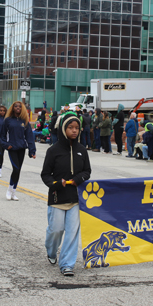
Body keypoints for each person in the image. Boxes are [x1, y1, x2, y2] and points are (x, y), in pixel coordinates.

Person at [41, 112, 91, 277]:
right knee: (56, 230)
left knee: (71, 232)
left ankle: (67, 265)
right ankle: (51, 250)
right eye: (70, 127)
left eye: (77, 128)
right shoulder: (53, 151)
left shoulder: (82, 150)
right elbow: (45, 174)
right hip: (57, 197)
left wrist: (78, 179)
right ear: (63, 129)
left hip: (75, 199)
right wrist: (55, 184)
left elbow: (87, 171)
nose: (74, 131)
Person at [0, 101, 36, 200]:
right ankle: (9, 189)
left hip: (21, 148)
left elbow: (29, 136)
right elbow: (1, 136)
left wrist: (32, 151)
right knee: (15, 169)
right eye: (16, 106)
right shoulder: (8, 120)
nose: (18, 108)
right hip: (12, 148)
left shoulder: (24, 121)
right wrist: (6, 145)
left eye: (20, 106)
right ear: (13, 108)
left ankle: (14, 192)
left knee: (18, 170)